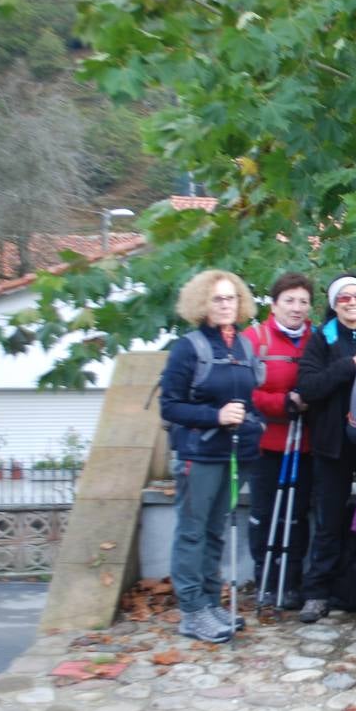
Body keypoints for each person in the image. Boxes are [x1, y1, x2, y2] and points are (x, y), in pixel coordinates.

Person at [160, 270, 265, 643]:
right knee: (192, 532)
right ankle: (192, 611)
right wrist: (215, 417)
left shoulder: (242, 347)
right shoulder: (189, 348)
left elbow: (249, 396)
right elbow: (170, 407)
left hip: (232, 454)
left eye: (231, 298)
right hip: (198, 453)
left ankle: (210, 602)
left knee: (215, 531)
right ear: (202, 303)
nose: (225, 305)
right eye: (217, 299)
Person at [296, 273, 356, 623]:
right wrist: (348, 367)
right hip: (332, 444)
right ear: (334, 304)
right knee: (329, 519)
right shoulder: (322, 338)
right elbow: (307, 387)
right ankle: (317, 591)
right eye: (345, 298)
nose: (353, 303)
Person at [244, 272, 314, 611]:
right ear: (274, 304)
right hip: (267, 443)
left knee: (297, 516)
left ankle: (291, 581)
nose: (296, 308)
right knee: (263, 514)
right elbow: (244, 391)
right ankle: (266, 580)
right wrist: (284, 403)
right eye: (289, 301)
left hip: (304, 445)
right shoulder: (255, 338)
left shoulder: (316, 338)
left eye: (303, 301)